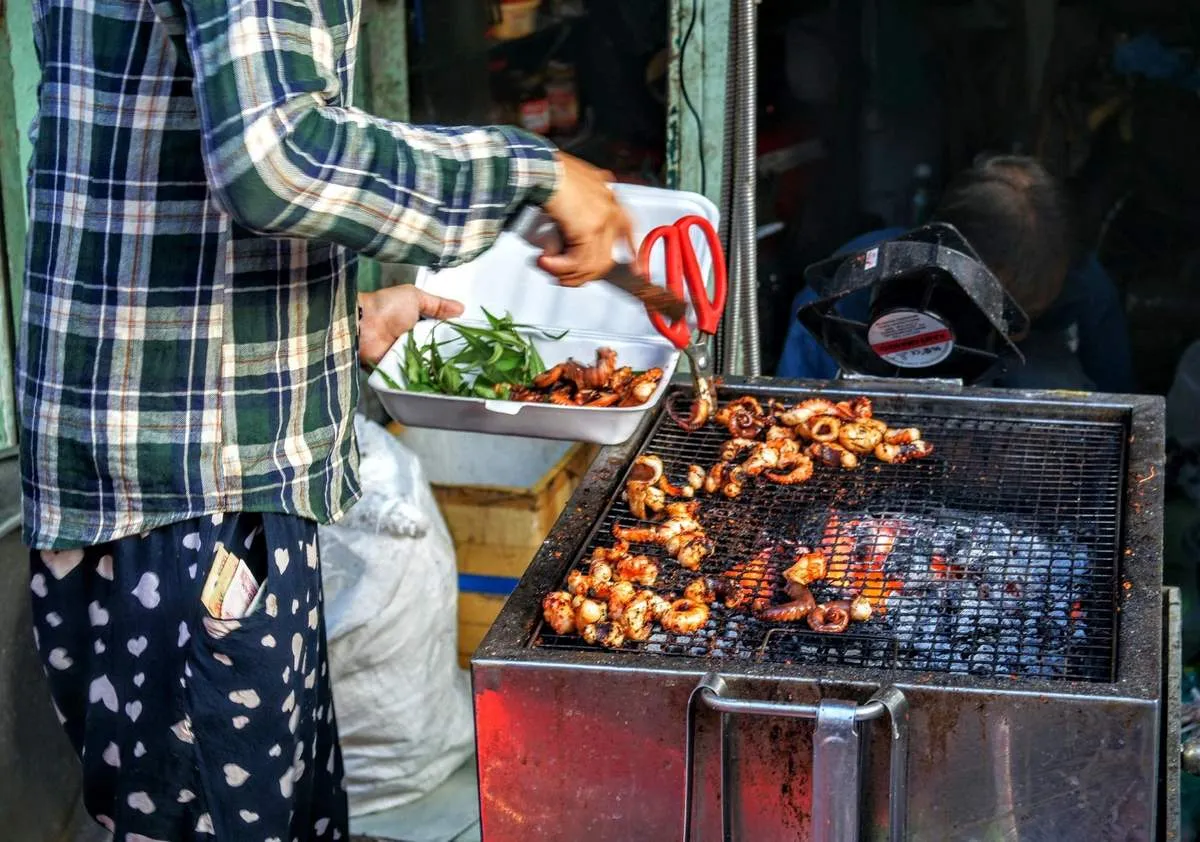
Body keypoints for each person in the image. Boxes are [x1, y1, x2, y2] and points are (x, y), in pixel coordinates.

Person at [19, 2, 633, 840]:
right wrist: (533, 171)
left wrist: (331, 326)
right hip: (191, 493)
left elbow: (152, 159)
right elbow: (278, 160)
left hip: (188, 462)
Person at [777, 155, 1136, 392]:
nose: (1016, 330)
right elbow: (799, 403)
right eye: (1003, 312)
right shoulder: (852, 285)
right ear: (946, 256)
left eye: (1030, 313)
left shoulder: (1084, 284)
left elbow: (1119, 398)